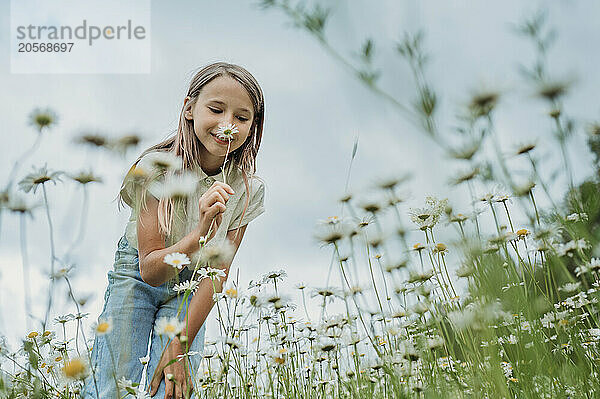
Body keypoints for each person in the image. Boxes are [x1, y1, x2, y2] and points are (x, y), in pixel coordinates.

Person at [83, 62, 266, 399]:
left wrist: (180, 346)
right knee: (112, 384)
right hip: (138, 276)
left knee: (172, 387)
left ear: (253, 127)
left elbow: (216, 274)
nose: (228, 125)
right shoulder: (155, 168)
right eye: (216, 109)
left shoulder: (246, 188)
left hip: (192, 286)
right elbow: (151, 270)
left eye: (242, 118)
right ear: (189, 109)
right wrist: (200, 232)